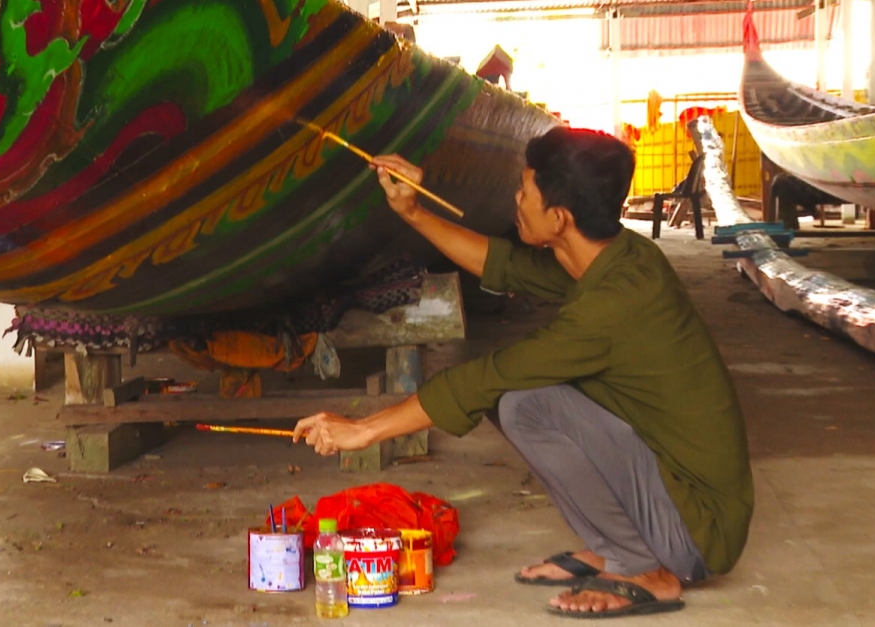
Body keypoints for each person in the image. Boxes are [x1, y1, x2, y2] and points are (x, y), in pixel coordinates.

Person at [294, 126, 753, 619]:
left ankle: (644, 569)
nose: (516, 198)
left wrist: (364, 431)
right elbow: (506, 264)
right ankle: (614, 546)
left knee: (525, 401)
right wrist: (413, 211)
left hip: (696, 531)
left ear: (559, 217)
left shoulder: (616, 303)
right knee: (517, 398)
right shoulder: (618, 257)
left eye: (524, 190)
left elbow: (485, 378)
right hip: (674, 497)